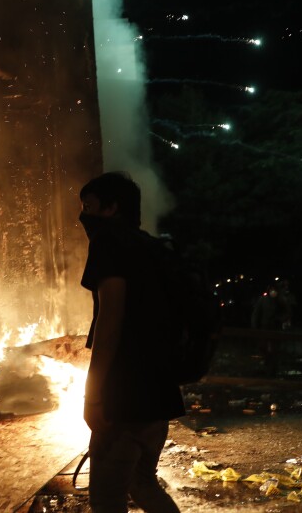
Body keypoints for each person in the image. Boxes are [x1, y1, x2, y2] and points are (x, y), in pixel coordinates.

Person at [78, 171, 183, 513]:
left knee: (106, 501)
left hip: (125, 397)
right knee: (143, 484)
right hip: (160, 392)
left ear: (111, 208)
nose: (83, 215)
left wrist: (93, 395)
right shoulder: (151, 247)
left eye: (89, 206)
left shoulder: (108, 242)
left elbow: (110, 321)